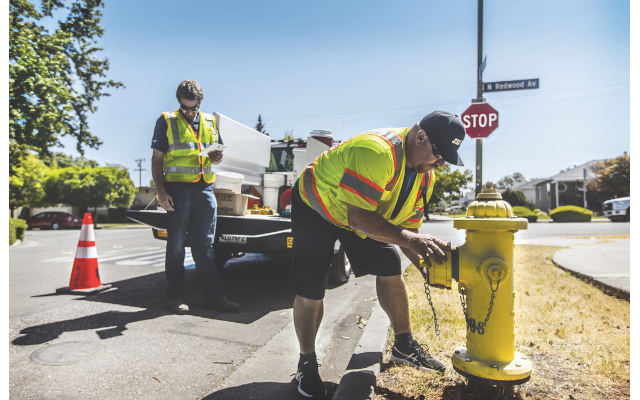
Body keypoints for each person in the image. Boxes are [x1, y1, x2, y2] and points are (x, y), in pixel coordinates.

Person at [290, 111, 466, 398]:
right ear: (420, 136)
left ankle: (404, 346)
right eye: (439, 154)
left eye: (446, 158)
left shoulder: (425, 176)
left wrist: (428, 267)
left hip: (357, 212)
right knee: (312, 288)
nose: (440, 163)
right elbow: (360, 219)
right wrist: (413, 240)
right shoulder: (377, 152)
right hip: (317, 204)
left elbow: (407, 227)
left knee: (389, 263)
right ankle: (306, 363)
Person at [151, 79, 239, 314]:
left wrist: (217, 158)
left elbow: (214, 152)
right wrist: (161, 192)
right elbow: (157, 159)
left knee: (205, 246)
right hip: (177, 191)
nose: (189, 112)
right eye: (185, 107)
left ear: (200, 102)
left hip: (205, 189)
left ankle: (214, 297)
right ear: (179, 101)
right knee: (176, 247)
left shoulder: (210, 121)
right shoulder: (166, 120)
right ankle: (174, 297)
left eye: (193, 108)